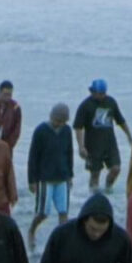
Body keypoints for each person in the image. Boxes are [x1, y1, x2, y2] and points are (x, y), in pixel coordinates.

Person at [73, 78, 132, 193]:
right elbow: (78, 127)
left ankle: (108, 190)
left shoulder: (111, 102)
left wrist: (129, 136)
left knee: (116, 168)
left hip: (110, 144)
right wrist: (81, 146)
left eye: (104, 93)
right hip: (92, 145)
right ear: (92, 92)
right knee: (95, 174)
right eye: (99, 94)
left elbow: (120, 121)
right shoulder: (85, 106)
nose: (102, 96)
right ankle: (93, 197)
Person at [27, 103, 74, 249]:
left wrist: (70, 175)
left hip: (63, 177)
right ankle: (31, 231)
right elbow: (33, 156)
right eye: (57, 120)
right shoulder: (41, 130)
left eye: (62, 121)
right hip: (45, 179)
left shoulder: (67, 130)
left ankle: (63, 240)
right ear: (51, 116)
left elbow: (69, 152)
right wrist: (32, 180)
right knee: (43, 213)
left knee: (63, 213)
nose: (59, 124)